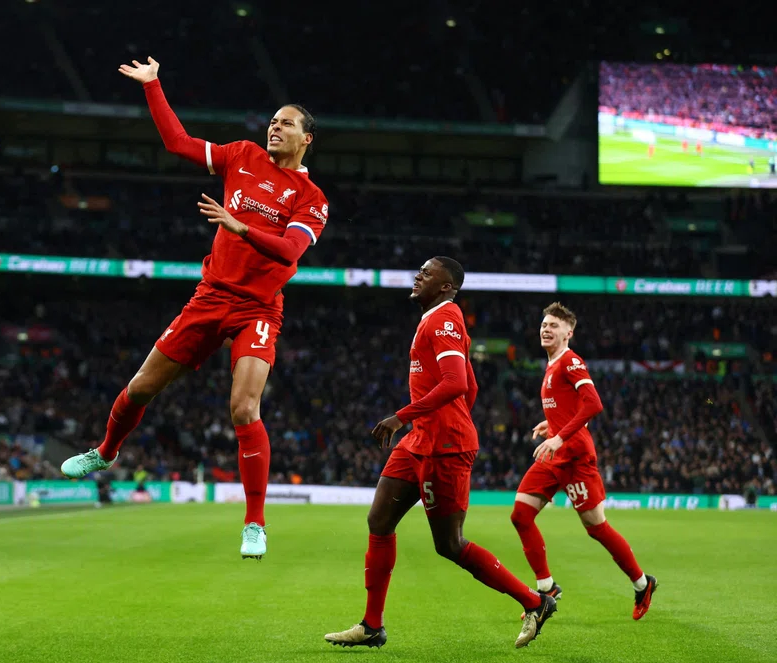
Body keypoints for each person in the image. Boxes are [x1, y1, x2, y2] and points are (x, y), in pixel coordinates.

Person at [60, 57, 330, 560]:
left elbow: (291, 251)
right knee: (140, 387)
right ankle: (105, 452)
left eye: (286, 122)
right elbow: (178, 144)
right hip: (210, 297)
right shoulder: (242, 155)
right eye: (272, 120)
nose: (274, 126)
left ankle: (255, 524)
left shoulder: (311, 197)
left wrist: (240, 225)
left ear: (306, 139)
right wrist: (153, 85)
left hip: (258, 308)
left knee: (244, 407)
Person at [324, 258, 556, 650]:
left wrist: (402, 417)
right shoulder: (435, 318)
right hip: (420, 440)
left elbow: (455, 383)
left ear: (447, 287)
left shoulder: (444, 320)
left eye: (427, 273)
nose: (418, 276)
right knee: (379, 520)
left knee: (450, 545)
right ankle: (371, 626)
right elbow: (472, 386)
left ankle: (536, 602)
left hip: (445, 445)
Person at [510, 302, 658, 620]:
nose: (546, 329)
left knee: (596, 527)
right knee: (521, 514)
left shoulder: (570, 361)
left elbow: (593, 404)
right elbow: (570, 409)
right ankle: (546, 587)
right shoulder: (551, 366)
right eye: (543, 324)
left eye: (553, 325)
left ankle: (643, 583)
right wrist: (550, 426)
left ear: (568, 332)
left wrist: (559, 437)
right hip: (555, 454)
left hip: (575, 457)